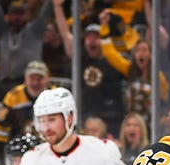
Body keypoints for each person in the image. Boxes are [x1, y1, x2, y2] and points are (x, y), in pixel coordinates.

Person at [53, 0, 126, 136]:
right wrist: (57, 7)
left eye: (96, 37)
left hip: (108, 119)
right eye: (88, 37)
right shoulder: (81, 59)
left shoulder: (111, 60)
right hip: (83, 116)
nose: (92, 41)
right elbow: (65, 34)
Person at [0, 60, 52, 165]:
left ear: (47, 78)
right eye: (32, 78)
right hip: (19, 155)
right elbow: (0, 131)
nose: (35, 83)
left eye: (39, 78)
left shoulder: (54, 95)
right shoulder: (13, 97)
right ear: (25, 78)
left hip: (48, 152)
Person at [0, 0, 52, 99]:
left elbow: (46, 12)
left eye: (21, 14)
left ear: (28, 15)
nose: (17, 17)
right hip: (4, 85)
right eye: (14, 14)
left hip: (28, 85)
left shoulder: (35, 30)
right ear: (8, 15)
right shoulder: (3, 31)